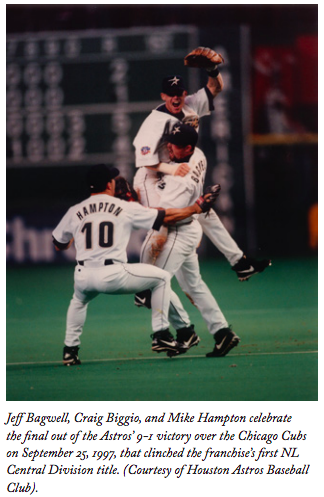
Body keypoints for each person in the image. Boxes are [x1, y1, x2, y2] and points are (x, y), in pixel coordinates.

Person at [52, 163, 216, 365]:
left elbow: (59, 245)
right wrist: (196, 207)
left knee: (78, 302)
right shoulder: (123, 208)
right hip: (113, 274)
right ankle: (161, 333)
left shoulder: (75, 211)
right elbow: (167, 216)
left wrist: (74, 237)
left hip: (83, 275)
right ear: (109, 184)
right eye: (112, 179)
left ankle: (70, 350)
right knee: (162, 278)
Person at [133, 64, 271, 280]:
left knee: (204, 210)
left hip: (174, 174)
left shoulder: (190, 106)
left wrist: (213, 71)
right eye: (171, 95)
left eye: (179, 94)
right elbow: (145, 161)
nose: (176, 99)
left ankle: (239, 262)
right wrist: (173, 168)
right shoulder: (154, 122)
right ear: (163, 96)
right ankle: (142, 283)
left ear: (184, 94)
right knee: (160, 224)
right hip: (150, 177)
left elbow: (215, 88)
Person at [138, 122, 240, 358]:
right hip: (190, 230)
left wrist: (144, 212)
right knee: (194, 286)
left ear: (187, 148)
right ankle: (222, 332)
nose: (169, 147)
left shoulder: (180, 183)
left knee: (152, 285)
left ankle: (182, 333)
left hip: (178, 233)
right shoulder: (199, 155)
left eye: (174, 145)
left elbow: (168, 218)